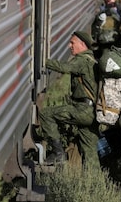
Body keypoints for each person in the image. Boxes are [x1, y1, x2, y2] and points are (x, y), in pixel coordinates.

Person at [38, 31, 100, 168]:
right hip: (93, 112)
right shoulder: (92, 60)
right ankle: (94, 183)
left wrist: (42, 61)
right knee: (90, 152)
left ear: (83, 44)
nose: (69, 46)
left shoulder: (82, 60)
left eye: (72, 43)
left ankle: (58, 154)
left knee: (46, 114)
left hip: (83, 111)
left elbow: (64, 67)